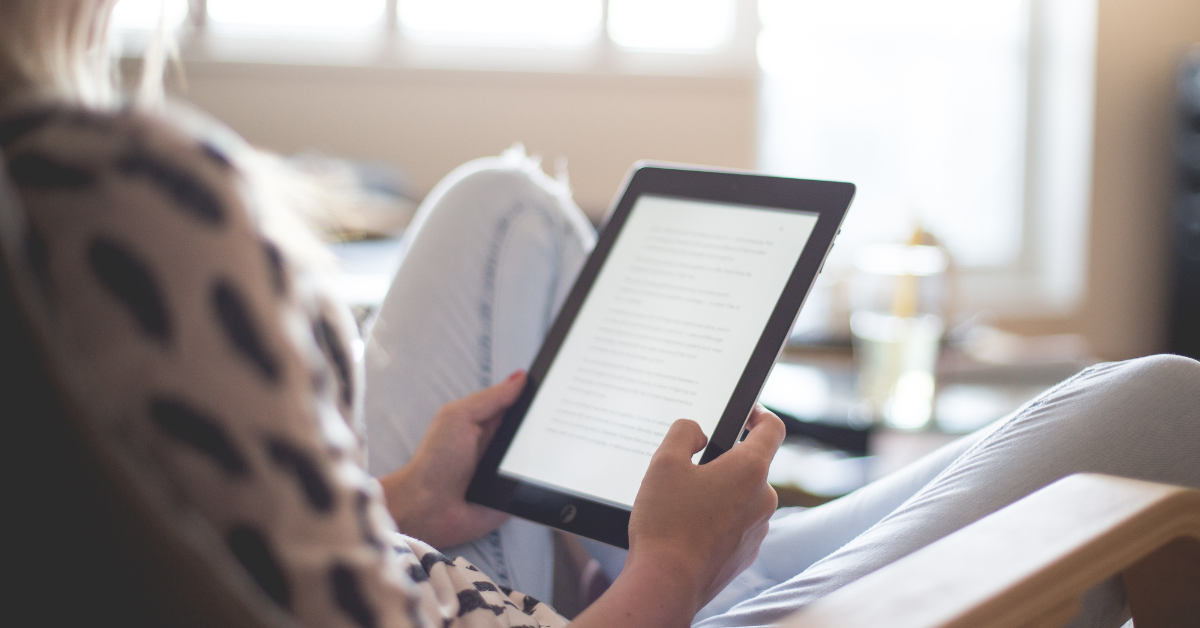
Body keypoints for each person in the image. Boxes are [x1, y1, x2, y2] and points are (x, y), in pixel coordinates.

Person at [1, 3, 1197, 628]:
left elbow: (243, 553)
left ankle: (665, 544)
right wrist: (666, 579)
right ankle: (695, 560)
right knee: (1168, 404)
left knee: (504, 206)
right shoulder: (106, 200)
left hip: (444, 568)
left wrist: (407, 500)